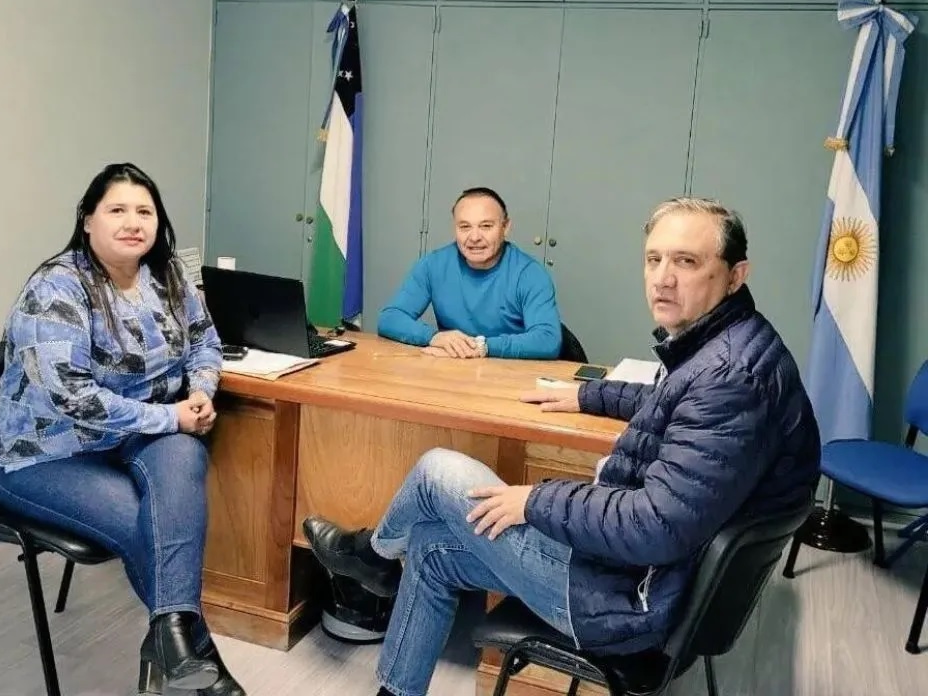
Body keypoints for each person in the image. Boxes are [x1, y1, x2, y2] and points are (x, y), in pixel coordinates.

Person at [303, 197, 820, 696]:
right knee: (431, 548)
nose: (663, 277)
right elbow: (670, 401)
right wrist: (587, 393)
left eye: (686, 262)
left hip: (630, 600)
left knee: (438, 470)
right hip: (642, 576)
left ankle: (370, 555)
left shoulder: (728, 379)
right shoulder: (734, 347)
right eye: (654, 259)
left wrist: (533, 500)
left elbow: (653, 526)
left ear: (736, 274)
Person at [0, 163, 245, 696]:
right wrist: (168, 417)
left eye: (144, 211)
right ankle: (195, 660)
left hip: (132, 438)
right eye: (117, 210)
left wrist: (200, 391)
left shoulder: (168, 275)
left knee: (185, 454)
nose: (133, 222)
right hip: (43, 456)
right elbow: (72, 397)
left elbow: (205, 343)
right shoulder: (57, 286)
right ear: (88, 220)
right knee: (145, 521)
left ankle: (167, 643)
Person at [377, 187, 562, 360]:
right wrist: (434, 337)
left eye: (486, 226)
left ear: (505, 227)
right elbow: (390, 318)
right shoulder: (433, 265)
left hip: (512, 374)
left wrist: (481, 347)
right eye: (465, 227)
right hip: (456, 370)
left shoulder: (529, 273)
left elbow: (548, 339)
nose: (474, 237)